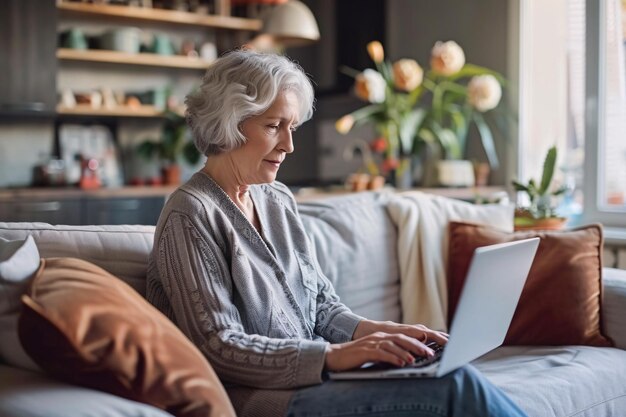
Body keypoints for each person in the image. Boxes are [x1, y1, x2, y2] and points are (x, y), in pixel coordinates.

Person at [146, 50, 527, 417]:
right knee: (456, 388)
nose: (289, 145)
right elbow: (218, 346)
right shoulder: (190, 213)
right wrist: (333, 356)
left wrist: (381, 332)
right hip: (261, 401)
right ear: (228, 122)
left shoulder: (277, 200)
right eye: (273, 126)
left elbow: (321, 307)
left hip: (318, 381)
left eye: (291, 127)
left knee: (450, 371)